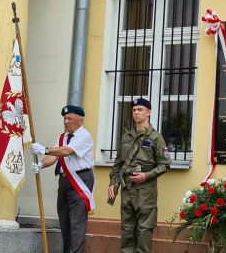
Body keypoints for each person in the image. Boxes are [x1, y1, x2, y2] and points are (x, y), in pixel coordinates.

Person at [107, 98, 171, 253]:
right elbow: (118, 164)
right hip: (127, 188)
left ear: (148, 112)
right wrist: (112, 183)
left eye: (140, 109)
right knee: (127, 228)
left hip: (145, 191)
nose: (136, 112)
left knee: (144, 229)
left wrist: (146, 176)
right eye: (134, 110)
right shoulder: (126, 137)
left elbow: (165, 164)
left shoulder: (155, 137)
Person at [30, 105, 95, 253]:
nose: (66, 121)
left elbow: (67, 151)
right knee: (65, 224)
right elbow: (54, 156)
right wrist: (41, 164)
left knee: (76, 225)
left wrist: (44, 149)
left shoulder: (84, 136)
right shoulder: (62, 137)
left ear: (80, 121)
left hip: (80, 180)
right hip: (64, 182)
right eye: (65, 118)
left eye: (70, 118)